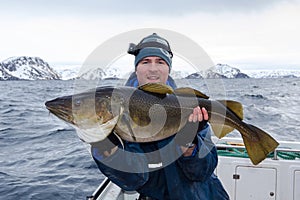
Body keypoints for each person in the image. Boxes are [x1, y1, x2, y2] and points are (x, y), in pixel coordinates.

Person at [91, 33, 229, 200]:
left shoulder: (190, 107)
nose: (153, 69)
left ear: (168, 69)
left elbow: (202, 172)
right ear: (136, 68)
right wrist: (106, 146)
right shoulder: (119, 113)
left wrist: (190, 145)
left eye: (160, 62)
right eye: (145, 61)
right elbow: (133, 180)